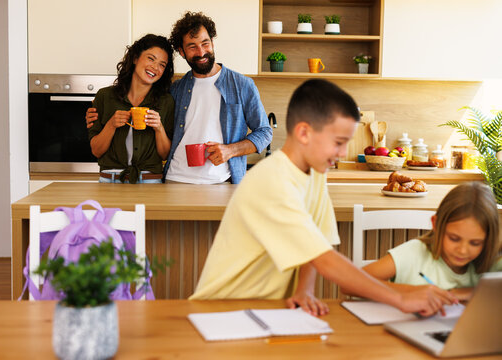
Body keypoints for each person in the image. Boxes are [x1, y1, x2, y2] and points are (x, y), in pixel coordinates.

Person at [189, 79, 454, 318]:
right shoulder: (272, 180)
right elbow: (325, 260)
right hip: (221, 311)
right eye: (338, 142)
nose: (342, 152)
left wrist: (304, 289)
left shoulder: (314, 173)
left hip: (269, 311)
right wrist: (400, 298)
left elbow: (316, 242)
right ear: (304, 133)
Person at [163, 11, 272, 184]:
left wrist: (230, 150)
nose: (201, 52)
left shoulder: (242, 85)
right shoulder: (176, 89)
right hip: (176, 179)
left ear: (212, 43)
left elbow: (265, 132)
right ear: (182, 52)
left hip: (222, 181)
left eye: (205, 43)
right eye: (192, 47)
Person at [361, 182, 500, 301]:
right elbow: (354, 283)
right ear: (436, 224)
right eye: (454, 238)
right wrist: (410, 292)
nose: (463, 250)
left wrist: (469, 292)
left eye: (475, 243)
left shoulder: (491, 262)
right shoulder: (414, 253)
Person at [86, 34, 175, 184]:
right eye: (151, 58)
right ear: (135, 58)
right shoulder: (105, 96)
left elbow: (165, 154)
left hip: (150, 181)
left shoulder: (166, 102)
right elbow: (96, 151)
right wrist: (111, 124)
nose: (155, 67)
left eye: (162, 64)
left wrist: (159, 128)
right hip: (110, 180)